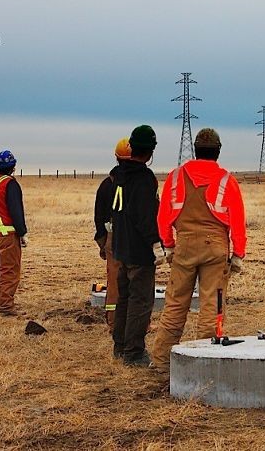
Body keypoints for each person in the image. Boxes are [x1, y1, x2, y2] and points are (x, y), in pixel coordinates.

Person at [151, 128, 246, 372]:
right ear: (218, 151)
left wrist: (169, 246)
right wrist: (238, 254)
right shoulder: (226, 180)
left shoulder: (175, 177)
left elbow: (163, 218)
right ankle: (204, 363)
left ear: (195, 149)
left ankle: (161, 362)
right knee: (211, 307)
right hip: (216, 248)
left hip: (183, 246)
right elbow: (237, 219)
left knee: (175, 305)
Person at [110, 125, 164, 366]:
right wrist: (155, 243)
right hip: (139, 252)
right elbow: (145, 216)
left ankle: (120, 346)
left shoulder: (120, 174)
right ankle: (134, 353)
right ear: (151, 151)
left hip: (121, 247)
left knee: (124, 298)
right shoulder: (143, 179)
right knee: (140, 302)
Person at [0, 149, 28, 316]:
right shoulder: (10, 184)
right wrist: (22, 233)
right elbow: (16, 211)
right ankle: (6, 308)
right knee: (9, 271)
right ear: (13, 166)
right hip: (9, 234)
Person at [93, 138, 131, 330]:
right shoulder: (142, 183)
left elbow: (98, 215)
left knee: (115, 280)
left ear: (116, 157)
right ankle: (138, 323)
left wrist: (102, 242)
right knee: (138, 281)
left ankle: (114, 320)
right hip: (135, 240)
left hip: (113, 238)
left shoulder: (107, 184)